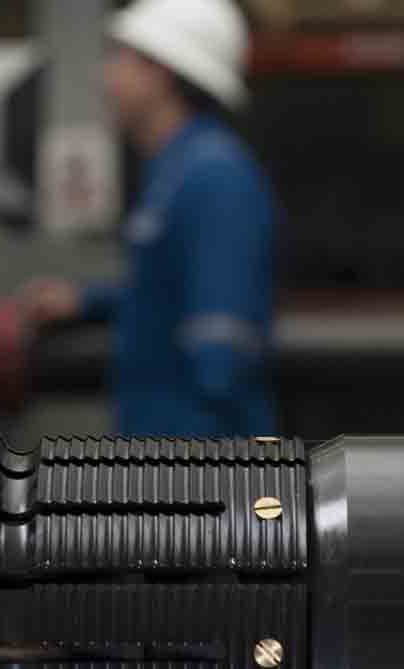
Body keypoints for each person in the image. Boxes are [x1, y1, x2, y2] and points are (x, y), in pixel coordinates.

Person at [25, 0, 278, 438]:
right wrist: (85, 301)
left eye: (119, 57)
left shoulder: (215, 177)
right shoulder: (178, 170)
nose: (105, 77)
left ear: (161, 71)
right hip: (163, 461)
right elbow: (172, 290)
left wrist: (198, 476)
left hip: (199, 468)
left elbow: (222, 345)